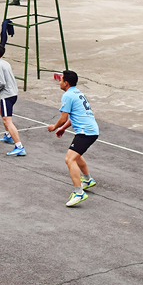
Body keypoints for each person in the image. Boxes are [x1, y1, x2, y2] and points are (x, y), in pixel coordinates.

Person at [47, 70, 99, 207]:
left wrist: (55, 127)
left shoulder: (67, 95)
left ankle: (79, 192)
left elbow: (63, 118)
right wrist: (63, 128)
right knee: (76, 155)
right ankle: (87, 180)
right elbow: (74, 115)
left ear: (66, 83)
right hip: (91, 130)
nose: (59, 82)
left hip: (85, 132)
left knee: (69, 159)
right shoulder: (78, 93)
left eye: (61, 80)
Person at [0, 44, 23, 156]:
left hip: (7, 95)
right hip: (13, 93)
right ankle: (8, 135)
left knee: (7, 120)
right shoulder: (5, 63)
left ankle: (19, 146)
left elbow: (2, 82)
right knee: (1, 110)